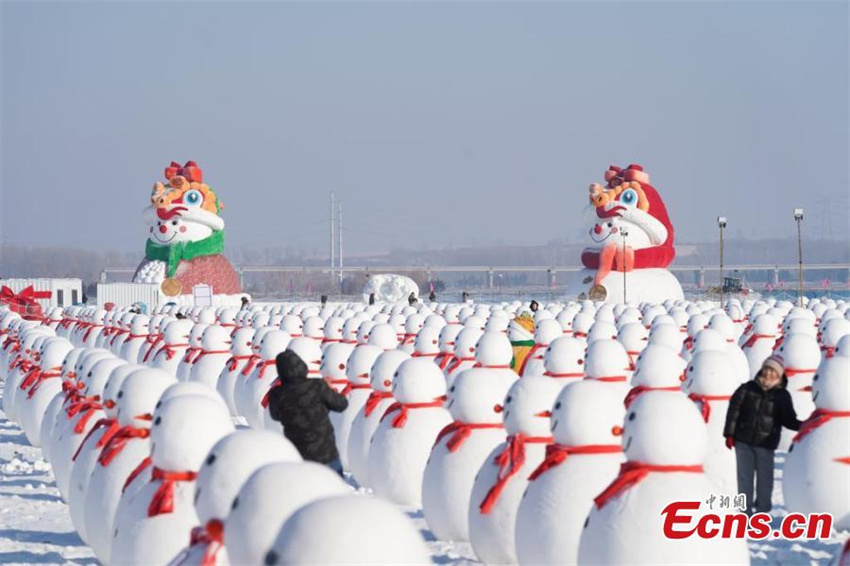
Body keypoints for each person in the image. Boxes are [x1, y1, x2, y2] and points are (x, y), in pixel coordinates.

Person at [724, 355, 801, 515]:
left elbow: (789, 419)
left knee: (765, 480)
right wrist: (729, 434)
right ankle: (745, 511)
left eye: (773, 371)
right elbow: (734, 411)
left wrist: (805, 425)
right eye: (767, 369)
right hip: (743, 441)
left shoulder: (782, 396)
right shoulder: (747, 388)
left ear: (779, 375)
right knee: (744, 478)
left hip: (766, 444)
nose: (768, 373)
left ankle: (762, 511)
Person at [266, 350, 348, 475]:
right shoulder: (317, 385)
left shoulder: (277, 394)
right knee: (335, 487)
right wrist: (330, 390)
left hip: (299, 454)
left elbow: (275, 415)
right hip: (325, 451)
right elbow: (341, 404)